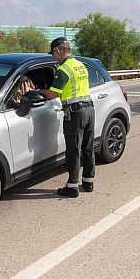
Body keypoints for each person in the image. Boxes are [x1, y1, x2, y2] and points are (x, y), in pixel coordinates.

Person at [38, 37, 95, 198]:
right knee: (88, 148)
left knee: (73, 150)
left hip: (76, 113)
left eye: (53, 54)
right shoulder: (80, 65)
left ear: (58, 51)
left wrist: (38, 91)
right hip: (89, 110)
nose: (54, 58)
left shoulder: (64, 69)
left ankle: (72, 187)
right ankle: (88, 182)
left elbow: (52, 94)